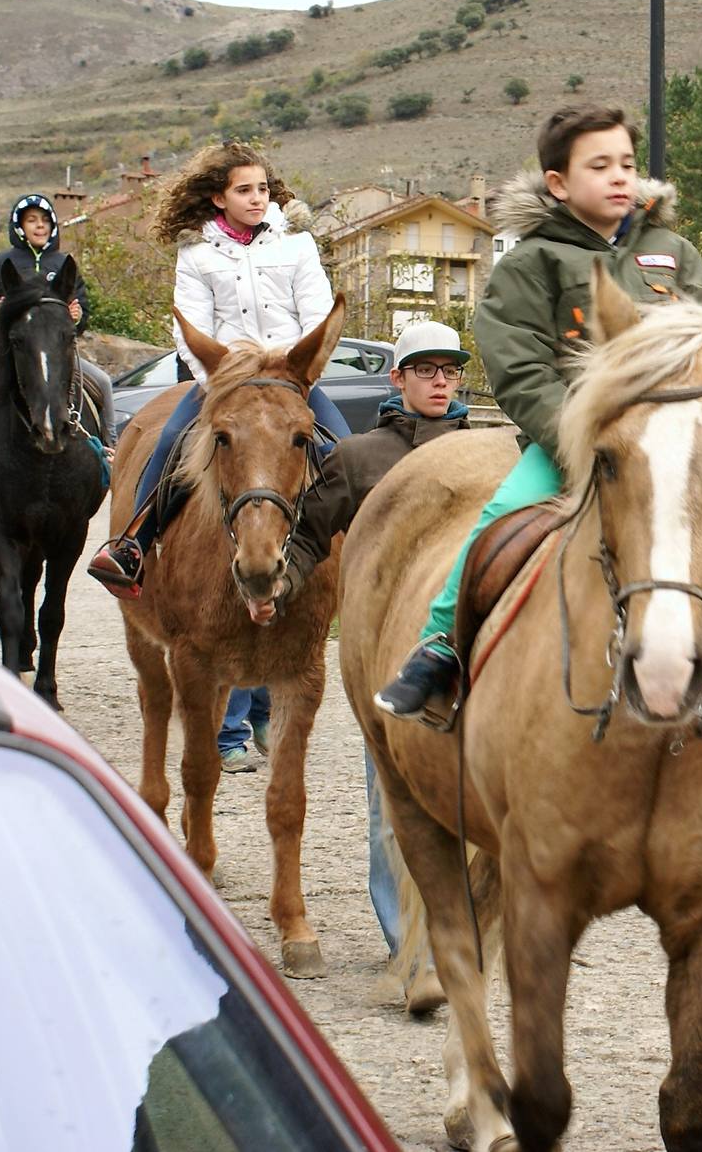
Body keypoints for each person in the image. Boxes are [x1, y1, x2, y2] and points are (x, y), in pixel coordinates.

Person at [371, 104, 702, 743]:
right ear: (558, 183)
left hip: (680, 445)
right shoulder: (533, 262)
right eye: (599, 166)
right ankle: (441, 646)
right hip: (572, 445)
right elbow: (519, 366)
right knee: (496, 524)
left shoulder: (674, 253)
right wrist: (584, 439)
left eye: (627, 164)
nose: (620, 177)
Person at [244, 319, 471, 1008]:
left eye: (449, 369)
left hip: (477, 647)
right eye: (424, 368)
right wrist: (274, 591)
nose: (439, 380)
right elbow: (308, 540)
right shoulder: (359, 456)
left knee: (478, 799)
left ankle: (466, 938)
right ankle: (410, 950)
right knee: (392, 801)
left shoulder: (489, 453)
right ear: (396, 379)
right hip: (389, 649)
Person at [86, 143, 349, 596]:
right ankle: (134, 544)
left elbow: (318, 314)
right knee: (169, 441)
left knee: (345, 450)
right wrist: (221, 385)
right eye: (244, 190)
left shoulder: (298, 242)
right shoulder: (197, 254)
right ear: (218, 198)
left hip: (289, 381)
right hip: (224, 382)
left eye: (262, 189)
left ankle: (367, 548)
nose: (257, 198)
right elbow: (189, 327)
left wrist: (300, 377)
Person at [0, 195, 116, 493]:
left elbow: (83, 314)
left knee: (103, 382)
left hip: (57, 353)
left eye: (45, 220)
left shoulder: (63, 263)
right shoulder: (3, 262)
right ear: (20, 226)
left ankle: (110, 451)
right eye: (32, 220)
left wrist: (77, 317)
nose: (39, 226)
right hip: (7, 352)